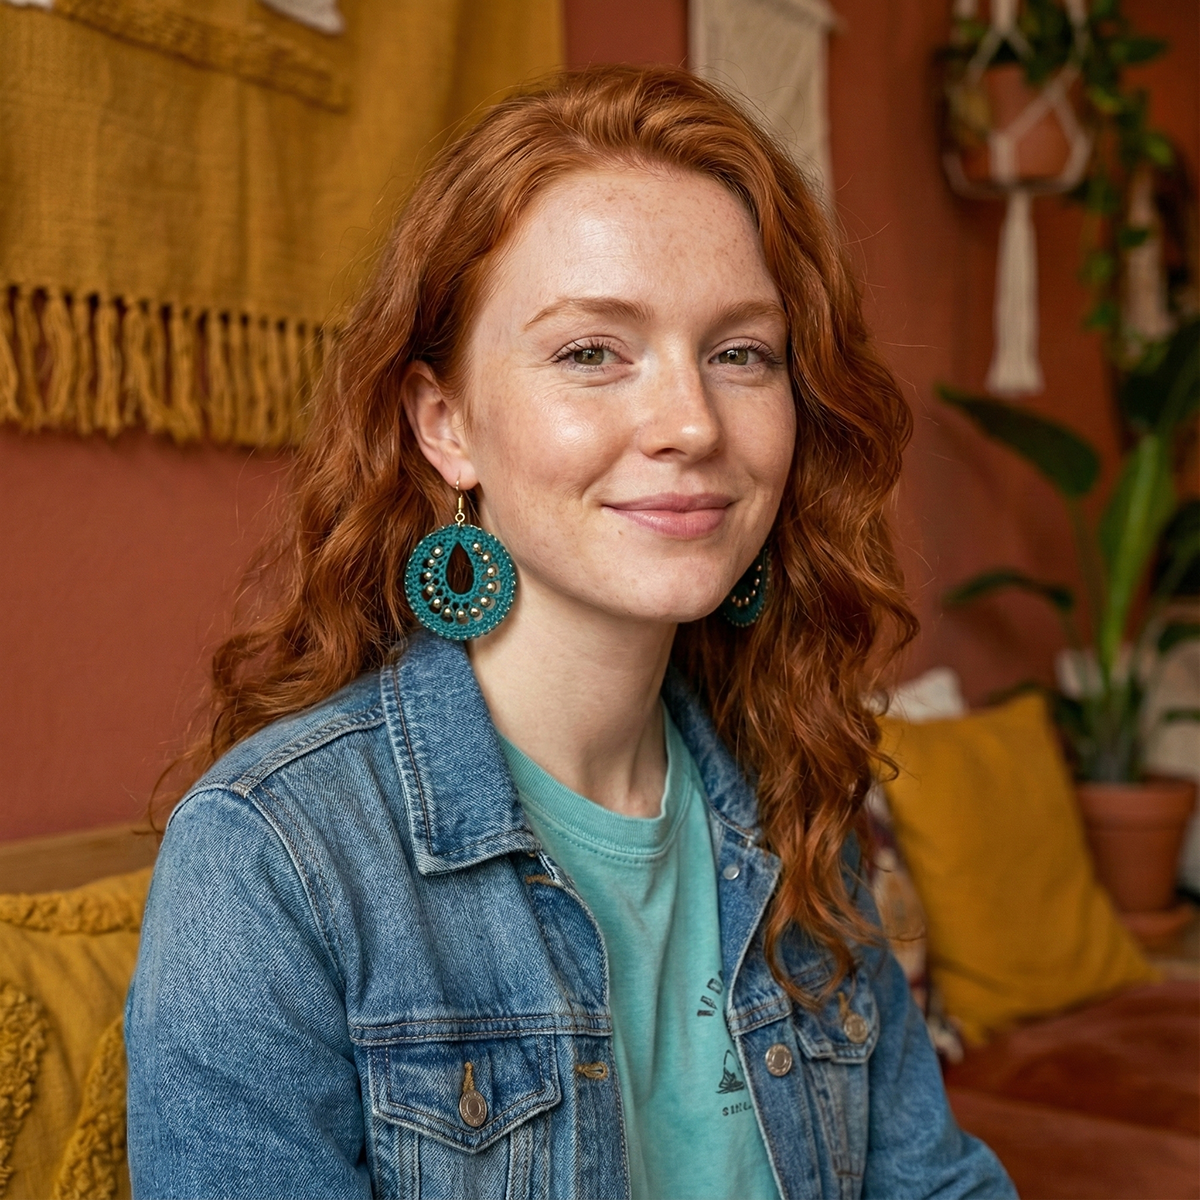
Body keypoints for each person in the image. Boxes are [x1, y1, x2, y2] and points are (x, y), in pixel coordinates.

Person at [125, 65, 1015, 1200]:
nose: (691, 423)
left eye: (741, 352)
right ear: (445, 425)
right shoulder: (272, 859)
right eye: (593, 352)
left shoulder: (796, 796)